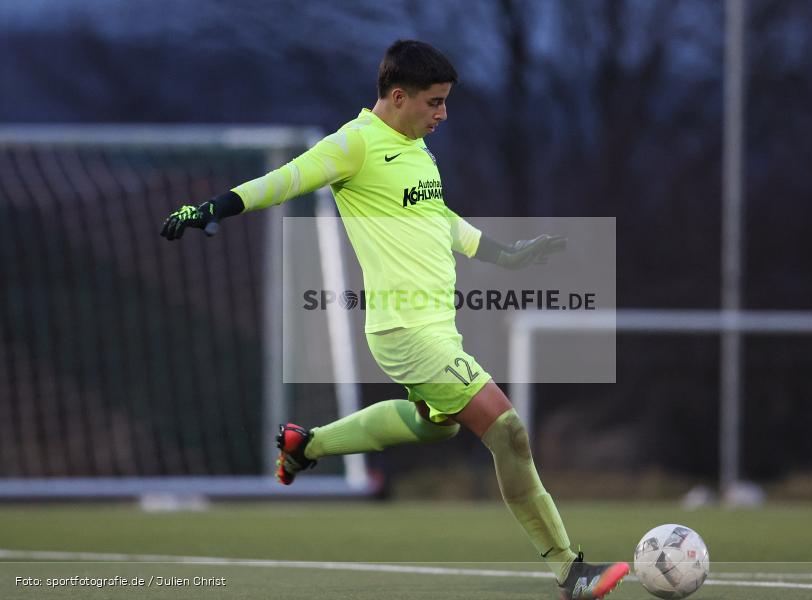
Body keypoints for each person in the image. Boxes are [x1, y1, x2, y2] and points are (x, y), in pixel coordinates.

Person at [160, 39, 628, 599]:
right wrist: (214, 206)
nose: (443, 114)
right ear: (398, 96)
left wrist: (504, 254)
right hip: (405, 332)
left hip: (437, 327)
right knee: (508, 431)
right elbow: (284, 179)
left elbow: (440, 219)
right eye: (434, 102)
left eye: (446, 101)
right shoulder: (353, 145)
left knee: (439, 423)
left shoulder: (417, 149)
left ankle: (304, 446)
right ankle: (569, 569)